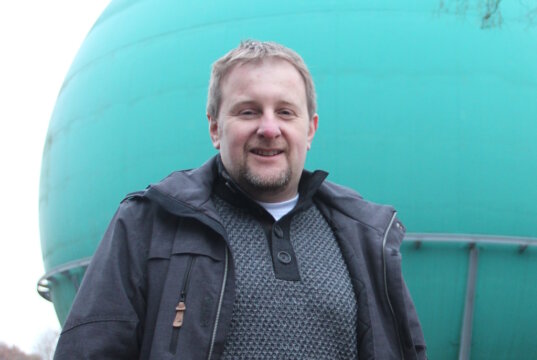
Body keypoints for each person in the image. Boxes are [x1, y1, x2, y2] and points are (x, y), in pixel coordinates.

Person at [54, 40, 426, 359]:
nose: (268, 128)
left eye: (285, 111)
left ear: (309, 129)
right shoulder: (148, 224)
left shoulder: (366, 237)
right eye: (248, 111)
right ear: (215, 127)